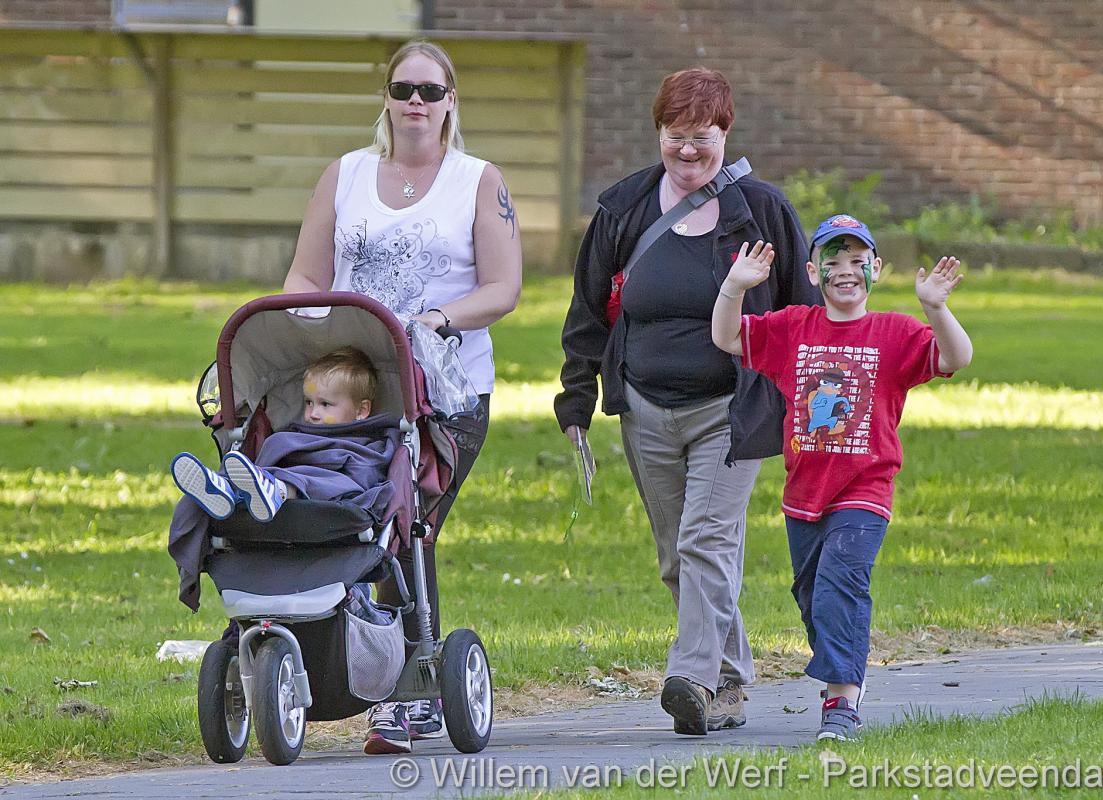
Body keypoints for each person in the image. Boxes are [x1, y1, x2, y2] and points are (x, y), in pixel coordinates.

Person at [554, 67, 823, 737]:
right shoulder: (623, 210)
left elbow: (805, 312)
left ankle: (691, 677)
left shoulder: (761, 211)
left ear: (726, 135)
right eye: (675, 135)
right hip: (646, 408)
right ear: (658, 133)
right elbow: (588, 311)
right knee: (679, 554)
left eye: (703, 136)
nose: (688, 149)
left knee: (707, 538)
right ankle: (727, 680)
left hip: (731, 407)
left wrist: (813, 402)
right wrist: (576, 400)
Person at [281, 39, 522, 751]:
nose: (416, 102)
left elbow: (503, 288)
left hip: (445, 392)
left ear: (451, 102)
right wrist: (309, 323)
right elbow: (304, 276)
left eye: (430, 91)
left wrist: (435, 321)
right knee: (359, 523)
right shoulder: (346, 175)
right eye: (402, 89)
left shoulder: (477, 181)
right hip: (356, 388)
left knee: (406, 526)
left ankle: (407, 688)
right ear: (385, 98)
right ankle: (347, 662)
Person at [710, 214, 973, 741]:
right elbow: (726, 337)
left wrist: (936, 307)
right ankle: (844, 669)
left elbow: (956, 357)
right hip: (804, 493)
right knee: (812, 598)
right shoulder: (794, 327)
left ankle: (841, 703)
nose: (846, 271)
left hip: (865, 489)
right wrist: (734, 286)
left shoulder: (895, 333)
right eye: (833, 262)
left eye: (858, 261)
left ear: (876, 268)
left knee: (840, 585)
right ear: (813, 272)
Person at [170, 347, 383, 524]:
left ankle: (277, 490)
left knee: (328, 481)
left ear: (361, 410)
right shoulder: (296, 435)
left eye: (325, 404)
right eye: (309, 402)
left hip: (330, 491)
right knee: (277, 442)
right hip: (277, 477)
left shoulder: (368, 444)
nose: (312, 413)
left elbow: (364, 478)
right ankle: (226, 488)